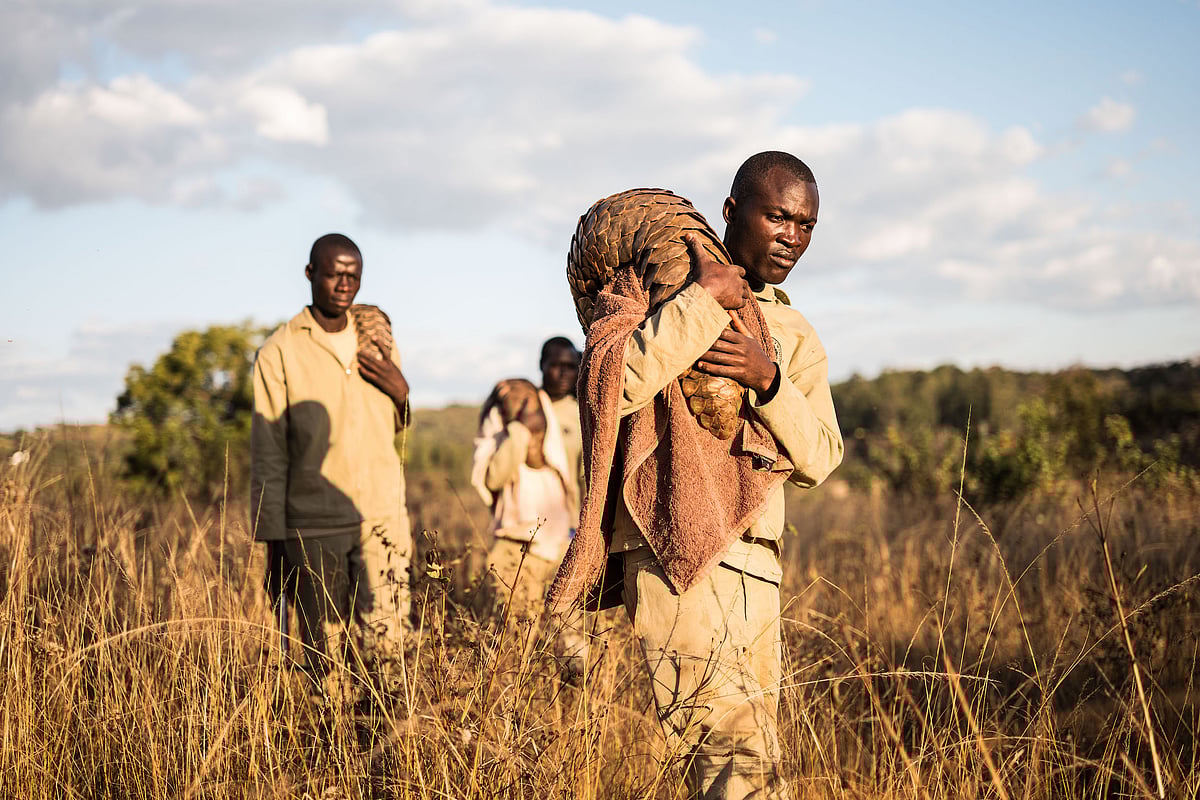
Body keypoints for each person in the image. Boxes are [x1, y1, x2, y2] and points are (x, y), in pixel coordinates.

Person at [550, 152, 844, 798]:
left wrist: (768, 380)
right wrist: (703, 305)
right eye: (778, 217)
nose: (792, 237)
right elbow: (612, 386)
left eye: (806, 225)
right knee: (724, 754)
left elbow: (822, 458)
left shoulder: (792, 331)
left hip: (756, 561)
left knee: (755, 759)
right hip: (671, 549)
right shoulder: (651, 289)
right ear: (732, 211)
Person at [251, 232, 413, 695]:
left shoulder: (376, 339)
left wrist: (402, 393)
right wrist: (273, 541)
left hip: (383, 517)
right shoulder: (280, 351)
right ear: (310, 274)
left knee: (389, 647)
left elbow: (393, 428)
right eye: (334, 273)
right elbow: (268, 452)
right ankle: (333, 737)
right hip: (314, 524)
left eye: (353, 275)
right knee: (325, 655)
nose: (344, 284)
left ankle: (386, 736)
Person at [470, 338, 587, 674]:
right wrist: (522, 431)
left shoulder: (582, 412)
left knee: (570, 635)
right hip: (516, 540)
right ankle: (517, 701)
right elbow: (493, 478)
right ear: (541, 365)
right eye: (555, 365)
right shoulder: (515, 407)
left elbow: (586, 477)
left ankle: (572, 701)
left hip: (565, 539)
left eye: (571, 366)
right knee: (517, 637)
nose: (563, 373)